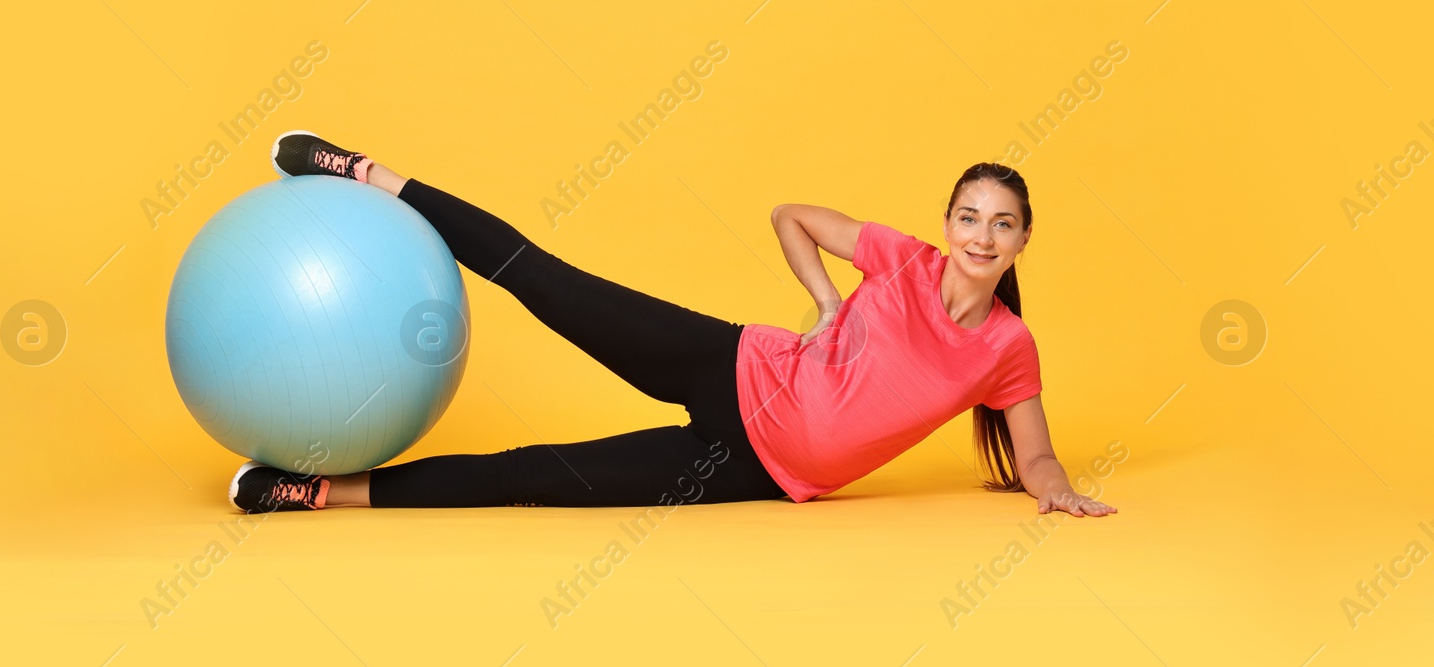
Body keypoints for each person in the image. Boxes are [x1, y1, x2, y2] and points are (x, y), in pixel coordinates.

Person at [229, 132, 1117, 520]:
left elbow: (1033, 450)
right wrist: (828, 301)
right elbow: (792, 215)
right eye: (970, 216)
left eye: (1002, 224)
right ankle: (368, 172)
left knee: (537, 477)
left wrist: (1056, 486)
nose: (981, 235)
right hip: (730, 365)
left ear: (1023, 240)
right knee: (546, 282)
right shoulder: (907, 258)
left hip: (756, 470)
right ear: (950, 220)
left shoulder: (1007, 349)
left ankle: (314, 493)